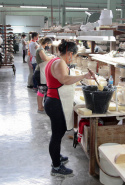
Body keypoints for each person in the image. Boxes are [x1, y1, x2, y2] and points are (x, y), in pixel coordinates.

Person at [44, 40, 95, 177]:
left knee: (58, 134)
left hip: (53, 100)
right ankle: (56, 166)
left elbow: (62, 79)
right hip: (55, 102)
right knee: (56, 135)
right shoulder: (60, 62)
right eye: (74, 55)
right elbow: (65, 80)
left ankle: (56, 157)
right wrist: (84, 76)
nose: (73, 58)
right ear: (70, 53)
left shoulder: (54, 60)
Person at [34, 37, 54, 113]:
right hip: (40, 72)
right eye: (49, 44)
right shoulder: (40, 49)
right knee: (41, 90)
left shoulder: (41, 49)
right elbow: (45, 58)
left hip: (42, 71)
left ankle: (42, 106)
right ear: (46, 43)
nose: (49, 46)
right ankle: (40, 107)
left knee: (42, 89)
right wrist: (52, 57)